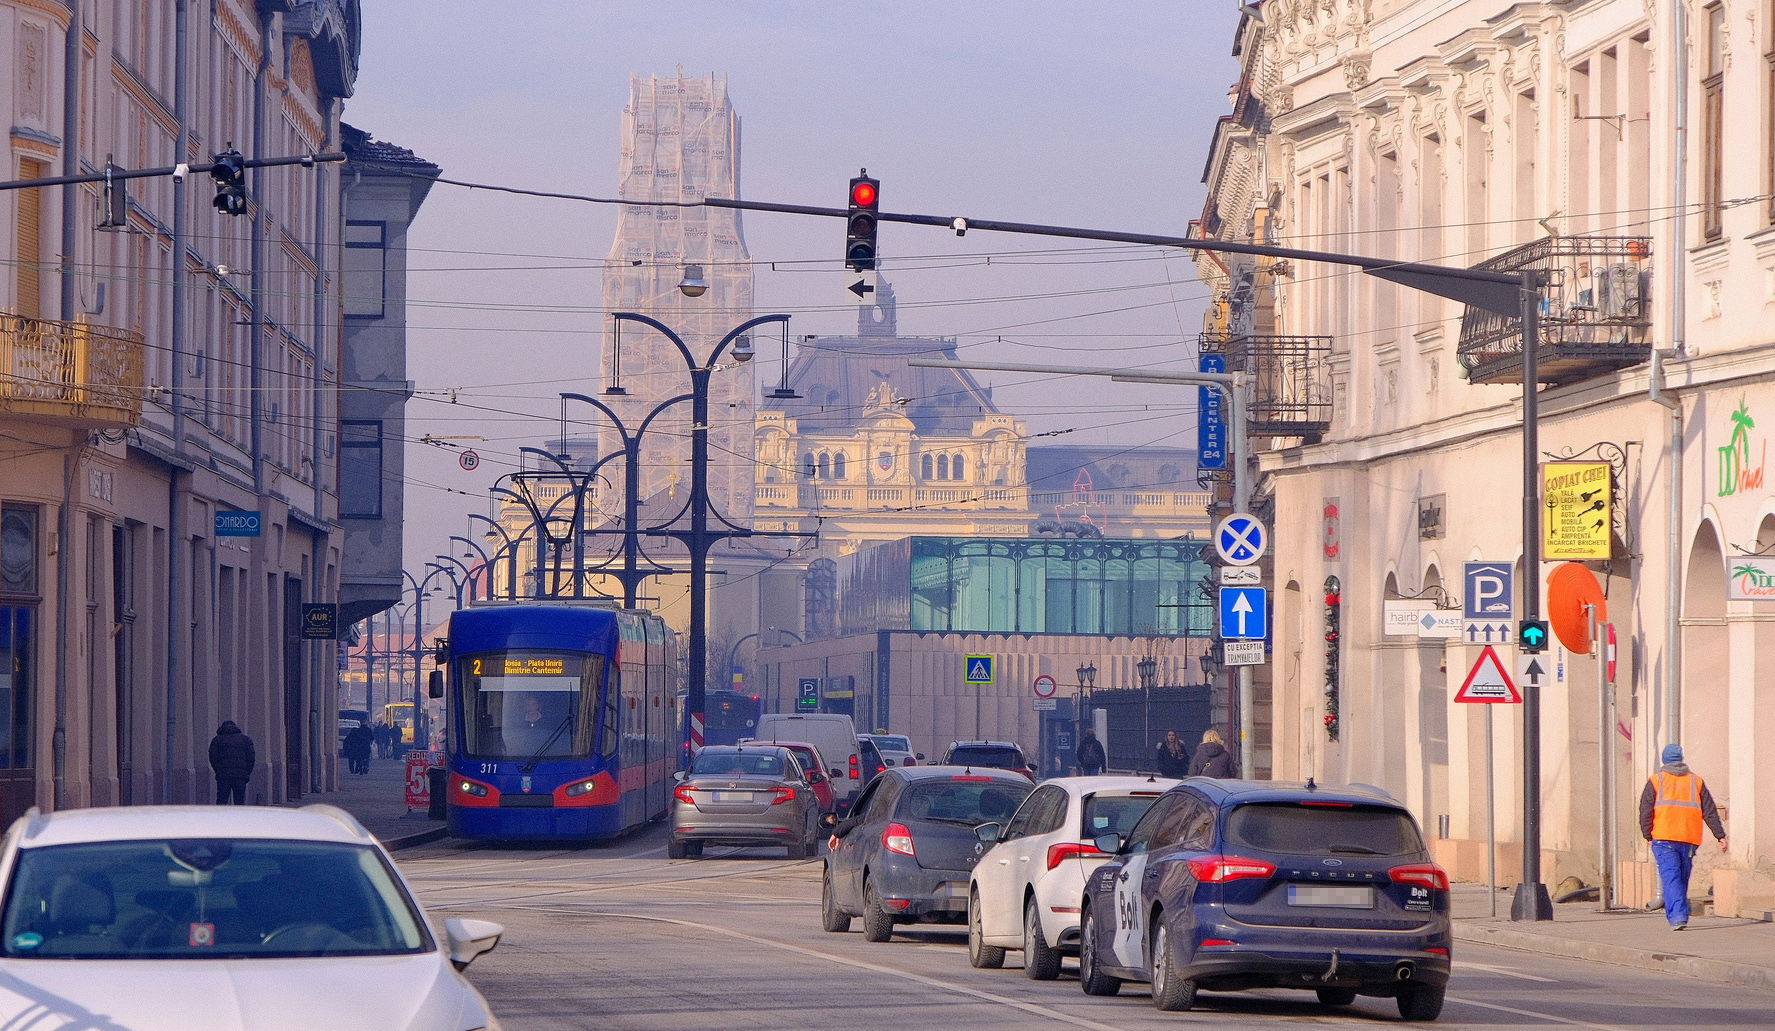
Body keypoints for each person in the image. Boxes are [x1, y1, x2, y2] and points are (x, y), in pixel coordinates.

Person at [1639, 742, 1727, 930]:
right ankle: (1679, 915)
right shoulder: (1696, 781)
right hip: (1689, 839)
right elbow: (1710, 811)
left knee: (1673, 878)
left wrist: (1647, 835)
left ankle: (1678, 916)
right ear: (1681, 759)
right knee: (1680, 877)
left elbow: (1645, 810)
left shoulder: (1656, 780)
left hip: (1663, 838)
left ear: (1664, 760)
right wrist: (1720, 835)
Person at [208, 720, 256, 804]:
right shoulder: (245, 740)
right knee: (239, 801)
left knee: (222, 800)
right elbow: (251, 758)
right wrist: (246, 772)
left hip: (223, 775)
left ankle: (220, 813)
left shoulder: (217, 740)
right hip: (240, 775)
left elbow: (212, 757)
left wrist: (218, 770)